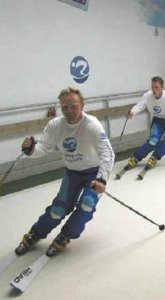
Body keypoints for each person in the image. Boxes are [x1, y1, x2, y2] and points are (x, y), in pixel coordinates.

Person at [15, 87, 115, 257]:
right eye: (65, 107)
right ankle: (35, 233)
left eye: (73, 106)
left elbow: (108, 152)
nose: (69, 111)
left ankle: (65, 235)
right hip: (73, 173)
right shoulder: (56, 125)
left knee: (87, 204)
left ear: (82, 105)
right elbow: (43, 147)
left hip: (94, 173)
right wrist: (31, 149)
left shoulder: (91, 124)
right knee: (59, 209)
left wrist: (102, 179)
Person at [122, 76, 165, 171]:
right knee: (153, 139)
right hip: (157, 120)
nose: (154, 90)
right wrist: (132, 112)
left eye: (156, 87)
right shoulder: (148, 96)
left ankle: (155, 157)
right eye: (152, 87)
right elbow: (140, 106)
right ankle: (136, 157)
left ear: (162, 87)